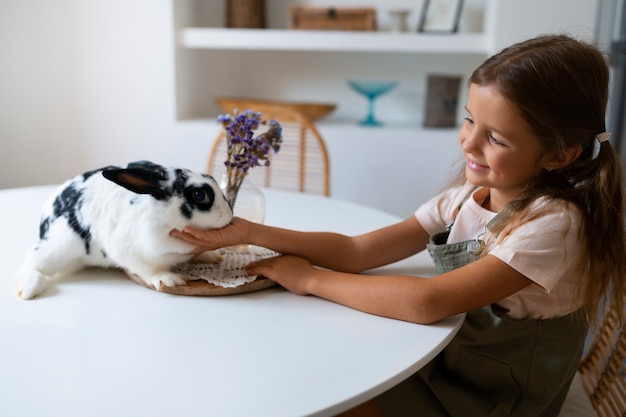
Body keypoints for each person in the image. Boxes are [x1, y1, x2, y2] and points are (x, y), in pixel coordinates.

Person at [171, 34, 626, 416]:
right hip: (452, 360)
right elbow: (358, 252)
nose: (469, 141)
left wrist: (308, 278)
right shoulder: (466, 197)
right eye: (469, 120)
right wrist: (251, 233)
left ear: (559, 155)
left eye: (496, 137)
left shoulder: (554, 224)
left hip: (494, 395)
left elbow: (428, 301)